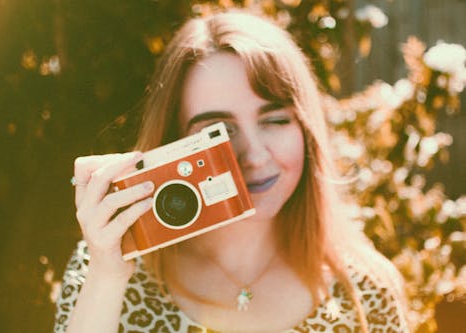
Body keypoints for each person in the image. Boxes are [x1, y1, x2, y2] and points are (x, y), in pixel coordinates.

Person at [54, 10, 409, 333]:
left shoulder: (366, 290)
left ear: (305, 128)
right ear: (174, 143)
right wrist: (106, 277)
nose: (254, 155)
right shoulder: (109, 267)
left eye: (274, 120)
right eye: (218, 131)